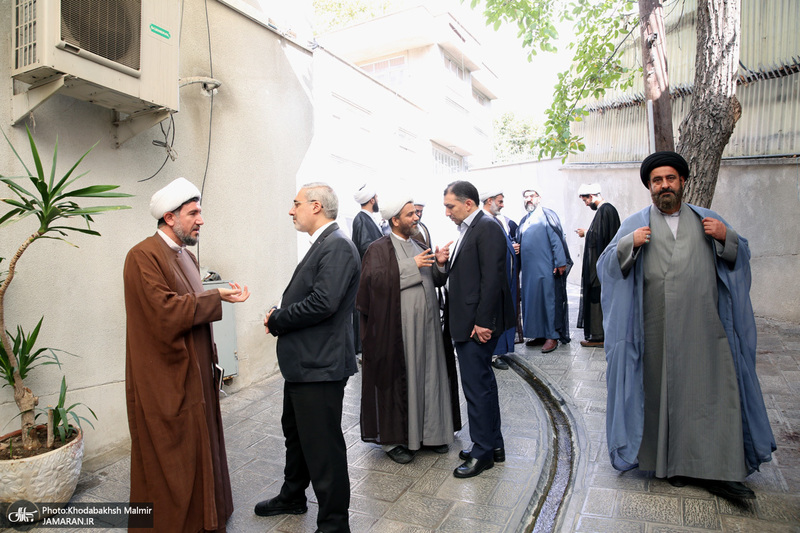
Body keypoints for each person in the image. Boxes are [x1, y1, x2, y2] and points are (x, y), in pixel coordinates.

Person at [597, 151, 775, 500]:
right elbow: (606, 267)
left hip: (706, 331)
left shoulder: (708, 219)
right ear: (650, 187)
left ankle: (721, 469)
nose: (664, 185)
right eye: (657, 180)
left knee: (714, 398)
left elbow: (740, 256)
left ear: (682, 182)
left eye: (670, 178)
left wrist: (725, 237)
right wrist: (628, 244)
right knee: (664, 399)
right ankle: (673, 465)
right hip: (656, 333)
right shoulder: (635, 223)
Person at [124, 177, 250, 533]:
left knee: (200, 448)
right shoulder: (142, 256)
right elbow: (164, 311)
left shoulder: (187, 256)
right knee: (172, 457)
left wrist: (216, 297)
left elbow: (190, 304)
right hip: (167, 379)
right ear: (169, 217)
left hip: (196, 377)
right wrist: (216, 296)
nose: (201, 220)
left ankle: (206, 517)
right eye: (193, 213)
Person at [256, 183, 360, 532]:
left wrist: (278, 318)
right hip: (306, 364)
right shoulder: (324, 242)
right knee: (298, 436)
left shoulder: (337, 245)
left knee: (323, 449)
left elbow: (323, 303)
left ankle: (334, 525)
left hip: (320, 365)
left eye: (296, 203)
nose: (291, 210)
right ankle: (292, 495)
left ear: (316, 206)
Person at [357, 196, 460, 464]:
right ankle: (396, 441)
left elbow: (435, 280)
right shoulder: (378, 249)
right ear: (395, 220)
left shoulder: (420, 244)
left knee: (430, 378)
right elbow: (372, 284)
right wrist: (410, 265)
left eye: (416, 213)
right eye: (410, 214)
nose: (416, 218)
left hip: (429, 330)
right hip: (398, 332)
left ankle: (431, 435)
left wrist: (439, 263)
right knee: (402, 381)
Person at [443, 180, 515, 478]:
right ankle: (493, 445)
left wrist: (484, 322)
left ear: (468, 203)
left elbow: (493, 278)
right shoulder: (471, 227)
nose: (447, 212)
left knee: (476, 389)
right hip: (469, 321)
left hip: (476, 325)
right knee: (483, 385)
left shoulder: (486, 227)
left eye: (450, 206)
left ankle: (482, 452)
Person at [516, 189, 572, 353]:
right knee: (533, 302)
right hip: (529, 273)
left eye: (531, 196)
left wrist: (560, 262)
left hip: (546, 269)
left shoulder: (547, 215)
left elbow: (556, 239)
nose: (528, 199)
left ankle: (552, 336)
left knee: (549, 302)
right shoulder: (524, 220)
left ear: (539, 198)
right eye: (525, 197)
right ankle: (539, 334)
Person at [574, 183, 620, 347]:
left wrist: (586, 233)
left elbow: (602, 238)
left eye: (585, 200)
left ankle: (599, 336)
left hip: (601, 267)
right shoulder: (606, 210)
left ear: (592, 196)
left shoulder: (605, 210)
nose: (586, 204)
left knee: (597, 298)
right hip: (604, 266)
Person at [480, 189, 518, 370]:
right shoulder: (484, 222)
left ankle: (501, 351)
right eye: (500, 201)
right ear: (489, 201)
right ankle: (494, 354)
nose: (502, 205)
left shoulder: (498, 220)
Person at [351, 183, 383, 355]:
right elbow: (366, 247)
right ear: (371, 200)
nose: (377, 199)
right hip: (368, 278)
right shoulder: (362, 219)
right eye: (376, 197)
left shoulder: (367, 219)